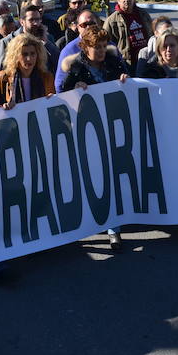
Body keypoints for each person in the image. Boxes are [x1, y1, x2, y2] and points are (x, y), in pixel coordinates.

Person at [60, 26, 129, 250]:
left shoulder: (114, 62)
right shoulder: (77, 67)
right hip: (88, 131)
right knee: (93, 177)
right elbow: (63, 95)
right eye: (95, 47)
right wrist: (75, 89)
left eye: (102, 46)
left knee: (112, 177)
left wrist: (126, 79)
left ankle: (113, 229)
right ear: (84, 47)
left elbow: (130, 82)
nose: (100, 51)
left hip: (113, 128)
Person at [0, 4, 60, 77]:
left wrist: (45, 42)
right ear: (22, 22)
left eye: (38, 19)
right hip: (17, 84)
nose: (35, 23)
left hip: (42, 84)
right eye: (31, 20)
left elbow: (59, 61)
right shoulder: (8, 41)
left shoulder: (47, 38)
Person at [0, 33, 55, 104]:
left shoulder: (47, 78)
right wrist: (4, 107)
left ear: (38, 54)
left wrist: (52, 100)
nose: (29, 59)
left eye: (32, 54)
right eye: (24, 54)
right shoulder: (2, 78)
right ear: (15, 56)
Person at [103, 0, 153, 70]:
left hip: (147, 60)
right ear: (118, 1)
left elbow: (152, 33)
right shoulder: (111, 20)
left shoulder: (143, 14)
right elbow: (106, 43)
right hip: (127, 63)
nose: (127, 0)